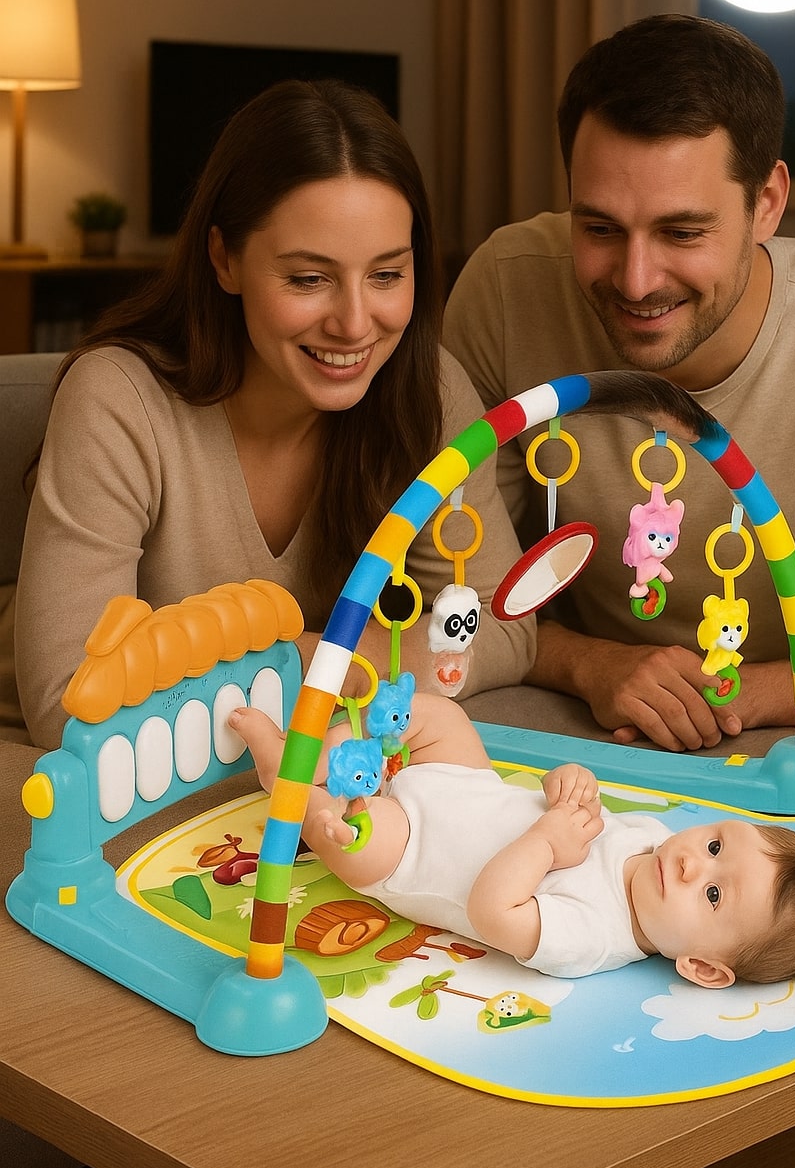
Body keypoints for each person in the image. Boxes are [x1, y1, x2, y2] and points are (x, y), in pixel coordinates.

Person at [443, 15, 795, 811]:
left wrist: (722, 699)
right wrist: (591, 666)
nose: (636, 280)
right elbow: (459, 586)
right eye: (599, 228)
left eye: (682, 232)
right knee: (421, 751)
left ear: (767, 202)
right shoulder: (504, 285)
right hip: (585, 704)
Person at [14, 80, 534, 752]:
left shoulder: (428, 388)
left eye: (386, 275)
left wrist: (323, 657)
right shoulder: (117, 399)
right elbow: (68, 702)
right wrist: (319, 664)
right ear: (224, 258)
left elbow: (507, 623)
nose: (354, 324)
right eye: (308, 279)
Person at [229, 694, 795, 985]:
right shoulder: (651, 839)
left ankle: (285, 771)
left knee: (356, 834)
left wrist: (549, 842)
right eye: (714, 848)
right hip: (463, 782)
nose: (690, 867)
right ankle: (328, 753)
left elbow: (491, 909)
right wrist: (566, 787)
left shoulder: (591, 939)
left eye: (712, 896)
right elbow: (561, 799)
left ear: (701, 966)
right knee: (438, 715)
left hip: (411, 849)